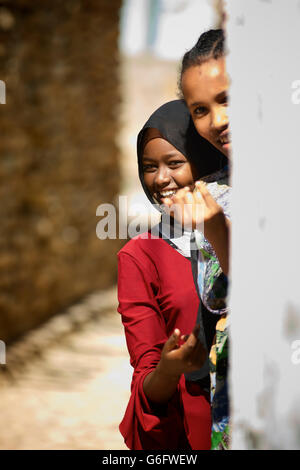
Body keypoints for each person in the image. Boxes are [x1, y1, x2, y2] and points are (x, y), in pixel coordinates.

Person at [117, 99, 228, 450]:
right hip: (193, 433)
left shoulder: (244, 228)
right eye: (149, 166)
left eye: (174, 163)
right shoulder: (140, 256)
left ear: (204, 159)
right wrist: (170, 368)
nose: (160, 179)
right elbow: (147, 379)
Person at [167, 29, 231, 450]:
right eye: (201, 110)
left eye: (228, 99)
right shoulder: (214, 195)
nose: (218, 121)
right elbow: (220, 299)